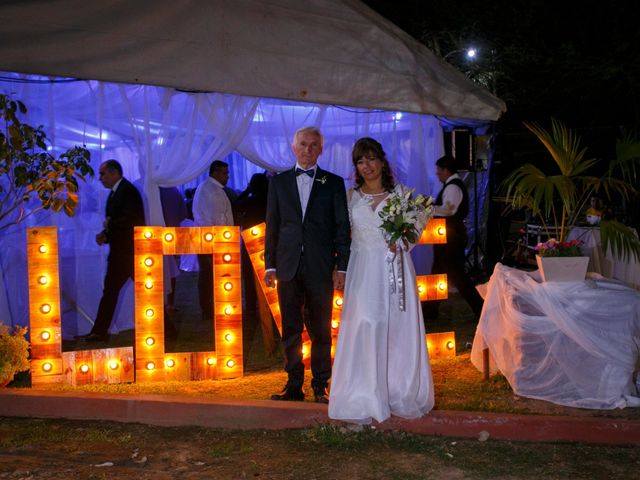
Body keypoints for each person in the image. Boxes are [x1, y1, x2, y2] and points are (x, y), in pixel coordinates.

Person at [328, 137, 434, 424]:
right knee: (366, 323)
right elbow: (341, 235)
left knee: (397, 328)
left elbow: (415, 232)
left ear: (382, 161)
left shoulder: (400, 195)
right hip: (363, 268)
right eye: (361, 161)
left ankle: (397, 389)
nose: (367, 166)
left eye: (371, 159)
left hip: (395, 269)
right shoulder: (350, 197)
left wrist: (401, 242)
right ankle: (364, 392)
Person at [264, 126, 350, 403]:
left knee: (321, 329)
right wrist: (270, 265)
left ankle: (321, 384)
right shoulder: (278, 183)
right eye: (303, 144)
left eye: (314, 145)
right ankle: (293, 385)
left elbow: (341, 228)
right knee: (290, 327)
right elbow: (273, 226)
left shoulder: (333, 183)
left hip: (320, 266)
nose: (308, 149)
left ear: (321, 150)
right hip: (287, 265)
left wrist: (342, 266)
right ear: (294, 147)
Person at [75, 159, 145, 342]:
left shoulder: (127, 191)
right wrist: (105, 234)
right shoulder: (117, 192)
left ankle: (100, 330)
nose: (100, 178)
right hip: (122, 253)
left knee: (138, 291)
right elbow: (118, 221)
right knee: (115, 292)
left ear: (115, 173)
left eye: (103, 174)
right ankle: (99, 330)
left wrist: (109, 228)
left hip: (128, 253)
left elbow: (129, 220)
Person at [423, 154, 484, 324]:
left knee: (457, 275)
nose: (437, 174)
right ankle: (430, 311)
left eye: (439, 170)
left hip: (451, 236)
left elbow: (449, 210)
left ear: (446, 170)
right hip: (446, 235)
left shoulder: (453, 187)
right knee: (439, 273)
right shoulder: (452, 185)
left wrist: (428, 209)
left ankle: (480, 307)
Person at [193, 160, 234, 322]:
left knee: (214, 276)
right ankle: (208, 309)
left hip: (217, 238)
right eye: (225, 173)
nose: (228, 177)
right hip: (211, 240)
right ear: (215, 173)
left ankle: (213, 307)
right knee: (208, 275)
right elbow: (209, 218)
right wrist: (218, 239)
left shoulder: (215, 189)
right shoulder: (208, 190)